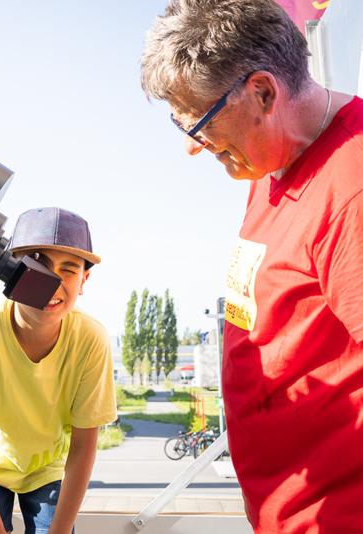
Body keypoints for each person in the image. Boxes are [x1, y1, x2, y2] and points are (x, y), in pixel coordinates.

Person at [140, 1, 363, 530]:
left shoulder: (351, 188)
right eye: (181, 122)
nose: (195, 146)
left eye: (200, 120)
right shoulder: (271, 162)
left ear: (262, 92)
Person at [0, 207, 117, 534]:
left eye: (68, 269)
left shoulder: (90, 338)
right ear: (11, 272)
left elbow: (84, 441)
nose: (52, 283)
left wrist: (61, 530)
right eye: (38, 265)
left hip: (45, 467)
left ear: (84, 281)